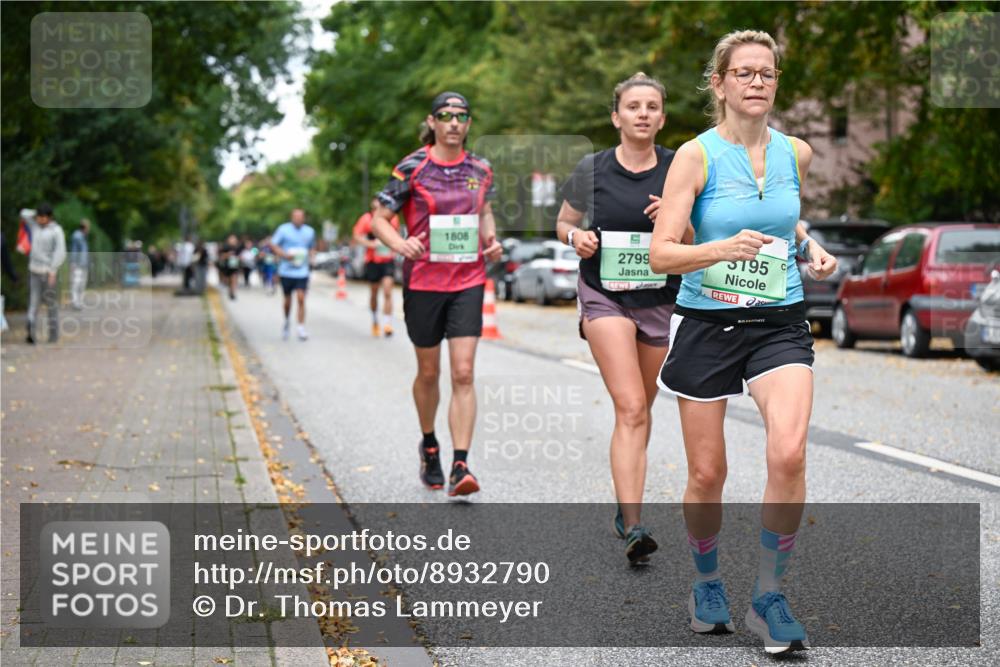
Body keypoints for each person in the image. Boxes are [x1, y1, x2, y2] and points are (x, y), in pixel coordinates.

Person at [650, 30, 837, 653]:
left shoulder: (797, 152)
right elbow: (661, 253)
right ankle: (707, 582)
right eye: (744, 73)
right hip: (706, 323)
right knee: (708, 473)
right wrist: (718, 250)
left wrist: (807, 244)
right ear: (720, 83)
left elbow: (781, 216)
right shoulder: (694, 158)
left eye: (767, 73)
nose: (757, 82)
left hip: (778, 320)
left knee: (788, 454)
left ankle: (767, 595)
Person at [556, 72, 686, 565]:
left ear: (662, 117)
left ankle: (623, 497)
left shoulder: (678, 167)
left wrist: (676, 221)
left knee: (643, 408)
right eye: (634, 106)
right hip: (604, 294)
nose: (643, 114)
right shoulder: (592, 168)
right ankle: (634, 524)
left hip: (659, 300)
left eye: (652, 106)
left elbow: (696, 235)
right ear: (617, 117)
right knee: (631, 405)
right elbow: (565, 221)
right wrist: (576, 239)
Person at [371, 91, 502, 497]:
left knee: (463, 372)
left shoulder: (481, 168)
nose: (453, 123)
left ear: (468, 124)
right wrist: (399, 244)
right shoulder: (412, 167)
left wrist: (492, 240)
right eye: (445, 116)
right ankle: (430, 445)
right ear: (432, 122)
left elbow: (482, 211)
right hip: (423, 282)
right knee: (429, 372)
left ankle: (460, 462)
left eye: (461, 116)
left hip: (467, 279)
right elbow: (379, 218)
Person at [353, 198, 401, 337]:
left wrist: (392, 243)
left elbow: (396, 235)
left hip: (388, 259)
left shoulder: (393, 218)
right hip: (372, 260)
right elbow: (357, 236)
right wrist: (371, 244)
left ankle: (387, 324)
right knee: (374, 293)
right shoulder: (366, 219)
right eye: (374, 207)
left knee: (387, 290)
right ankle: (375, 320)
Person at [269, 209, 316, 340]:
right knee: (288, 300)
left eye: (300, 217)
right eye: (295, 216)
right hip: (286, 270)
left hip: (302, 271)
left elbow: (312, 247)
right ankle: (286, 320)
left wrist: (312, 257)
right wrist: (284, 255)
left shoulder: (310, 231)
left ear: (304, 218)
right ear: (291, 217)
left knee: (301, 298)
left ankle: (301, 328)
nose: (298, 219)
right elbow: (273, 244)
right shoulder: (283, 229)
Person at [23, 204, 66, 344]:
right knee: (33, 302)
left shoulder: (56, 230)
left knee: (51, 304)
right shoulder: (34, 225)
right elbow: (23, 213)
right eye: (39, 217)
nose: (41, 220)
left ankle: (53, 334)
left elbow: (60, 251)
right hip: (34, 270)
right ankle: (31, 331)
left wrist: (53, 270)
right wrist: (35, 212)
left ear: (49, 217)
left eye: (43, 217)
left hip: (48, 272)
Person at [69, 218, 89, 309]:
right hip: (78, 265)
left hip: (83, 264)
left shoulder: (83, 237)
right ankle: (75, 302)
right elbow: (74, 250)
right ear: (85, 227)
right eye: (88, 227)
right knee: (76, 283)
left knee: (81, 284)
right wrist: (73, 263)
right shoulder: (77, 236)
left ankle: (79, 302)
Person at [217, 234, 241, 300]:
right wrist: (228, 255)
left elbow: (240, 256)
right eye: (231, 239)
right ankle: (229, 290)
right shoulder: (225, 247)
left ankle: (232, 292)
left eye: (234, 239)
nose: (233, 240)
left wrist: (239, 258)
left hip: (234, 266)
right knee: (227, 281)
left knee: (234, 279)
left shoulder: (237, 248)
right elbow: (221, 256)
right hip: (226, 266)